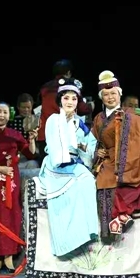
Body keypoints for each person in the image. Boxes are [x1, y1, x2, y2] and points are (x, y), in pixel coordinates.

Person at [92, 70, 140, 237]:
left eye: (113, 93)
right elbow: (94, 140)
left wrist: (123, 166)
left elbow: (134, 144)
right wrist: (98, 151)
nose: (110, 97)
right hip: (107, 159)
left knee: (113, 180)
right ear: (101, 98)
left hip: (129, 159)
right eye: (106, 94)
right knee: (103, 180)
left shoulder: (131, 117)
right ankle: (116, 221)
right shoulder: (98, 119)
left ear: (119, 94)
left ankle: (120, 217)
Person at [34, 78, 99, 256]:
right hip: (57, 165)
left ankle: (88, 232)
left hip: (75, 164)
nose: (70, 102)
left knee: (88, 180)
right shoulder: (53, 119)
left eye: (74, 98)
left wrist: (84, 148)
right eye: (66, 98)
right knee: (73, 187)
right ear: (60, 100)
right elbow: (55, 146)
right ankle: (66, 242)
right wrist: (67, 152)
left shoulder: (81, 124)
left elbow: (91, 146)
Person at [0, 102, 37, 273]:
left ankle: (9, 256)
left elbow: (30, 153)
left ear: (9, 116)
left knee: (12, 215)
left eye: (4, 112)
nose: (1, 115)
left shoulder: (15, 135)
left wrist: (32, 139)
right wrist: (0, 169)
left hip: (12, 179)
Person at [37, 59, 93, 163]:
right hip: (63, 134)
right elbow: (82, 109)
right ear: (68, 72)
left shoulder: (45, 87)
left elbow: (39, 106)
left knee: (46, 165)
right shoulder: (71, 86)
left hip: (44, 134)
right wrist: (90, 106)